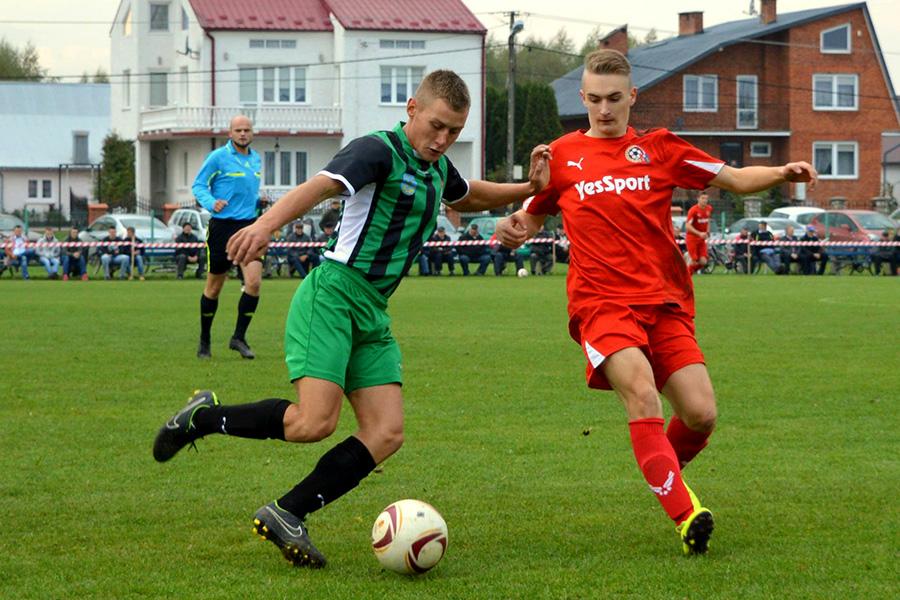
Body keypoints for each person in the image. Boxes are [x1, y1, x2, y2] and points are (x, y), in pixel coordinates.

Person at [153, 69, 551, 568]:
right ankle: (202, 418)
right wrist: (263, 226)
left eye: (454, 131)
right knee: (314, 422)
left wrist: (528, 190)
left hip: (373, 312)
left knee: (386, 432)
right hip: (334, 294)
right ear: (411, 109)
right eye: (436, 125)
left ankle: (287, 512)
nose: (443, 139)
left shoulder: (436, 167)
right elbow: (318, 187)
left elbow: (469, 194)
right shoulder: (378, 150)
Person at [495, 49, 817, 556]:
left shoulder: (661, 148)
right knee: (642, 396)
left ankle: (661, 470)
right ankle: (685, 515)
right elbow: (528, 219)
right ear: (583, 98)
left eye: (614, 99)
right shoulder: (561, 156)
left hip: (664, 303)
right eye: (595, 99)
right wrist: (510, 228)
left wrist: (781, 172)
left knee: (701, 414)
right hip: (601, 304)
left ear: (632, 97)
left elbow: (731, 177)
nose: (604, 110)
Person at [192, 114, 263, 359]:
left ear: (252, 133)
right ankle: (205, 340)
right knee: (214, 287)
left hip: (249, 227)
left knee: (253, 283)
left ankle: (239, 338)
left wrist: (257, 203)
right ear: (230, 133)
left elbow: (248, 191)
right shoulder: (218, 158)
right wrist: (212, 203)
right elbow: (198, 185)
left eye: (247, 130)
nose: (243, 134)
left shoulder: (256, 159)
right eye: (238, 130)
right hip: (222, 228)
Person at [685, 193, 712, 275]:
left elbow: (708, 221)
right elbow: (687, 226)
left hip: (701, 239)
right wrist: (699, 233)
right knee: (694, 261)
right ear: (698, 199)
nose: (705, 200)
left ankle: (686, 273)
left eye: (706, 198)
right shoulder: (693, 210)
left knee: (703, 261)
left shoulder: (709, 208)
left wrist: (708, 231)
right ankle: (687, 277)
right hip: (692, 238)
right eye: (703, 198)